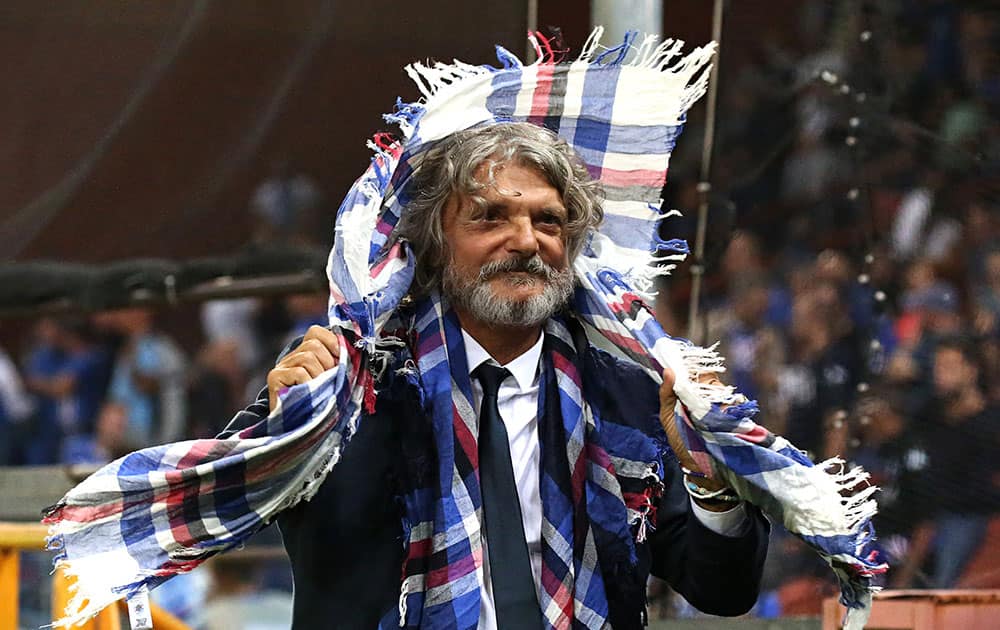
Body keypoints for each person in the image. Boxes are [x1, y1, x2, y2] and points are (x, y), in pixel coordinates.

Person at [221, 123, 769, 629]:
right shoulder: (349, 381)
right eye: (490, 217)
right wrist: (283, 435)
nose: (527, 241)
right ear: (435, 240)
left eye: (547, 221)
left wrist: (710, 479)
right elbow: (220, 511)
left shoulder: (628, 397)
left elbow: (725, 591)